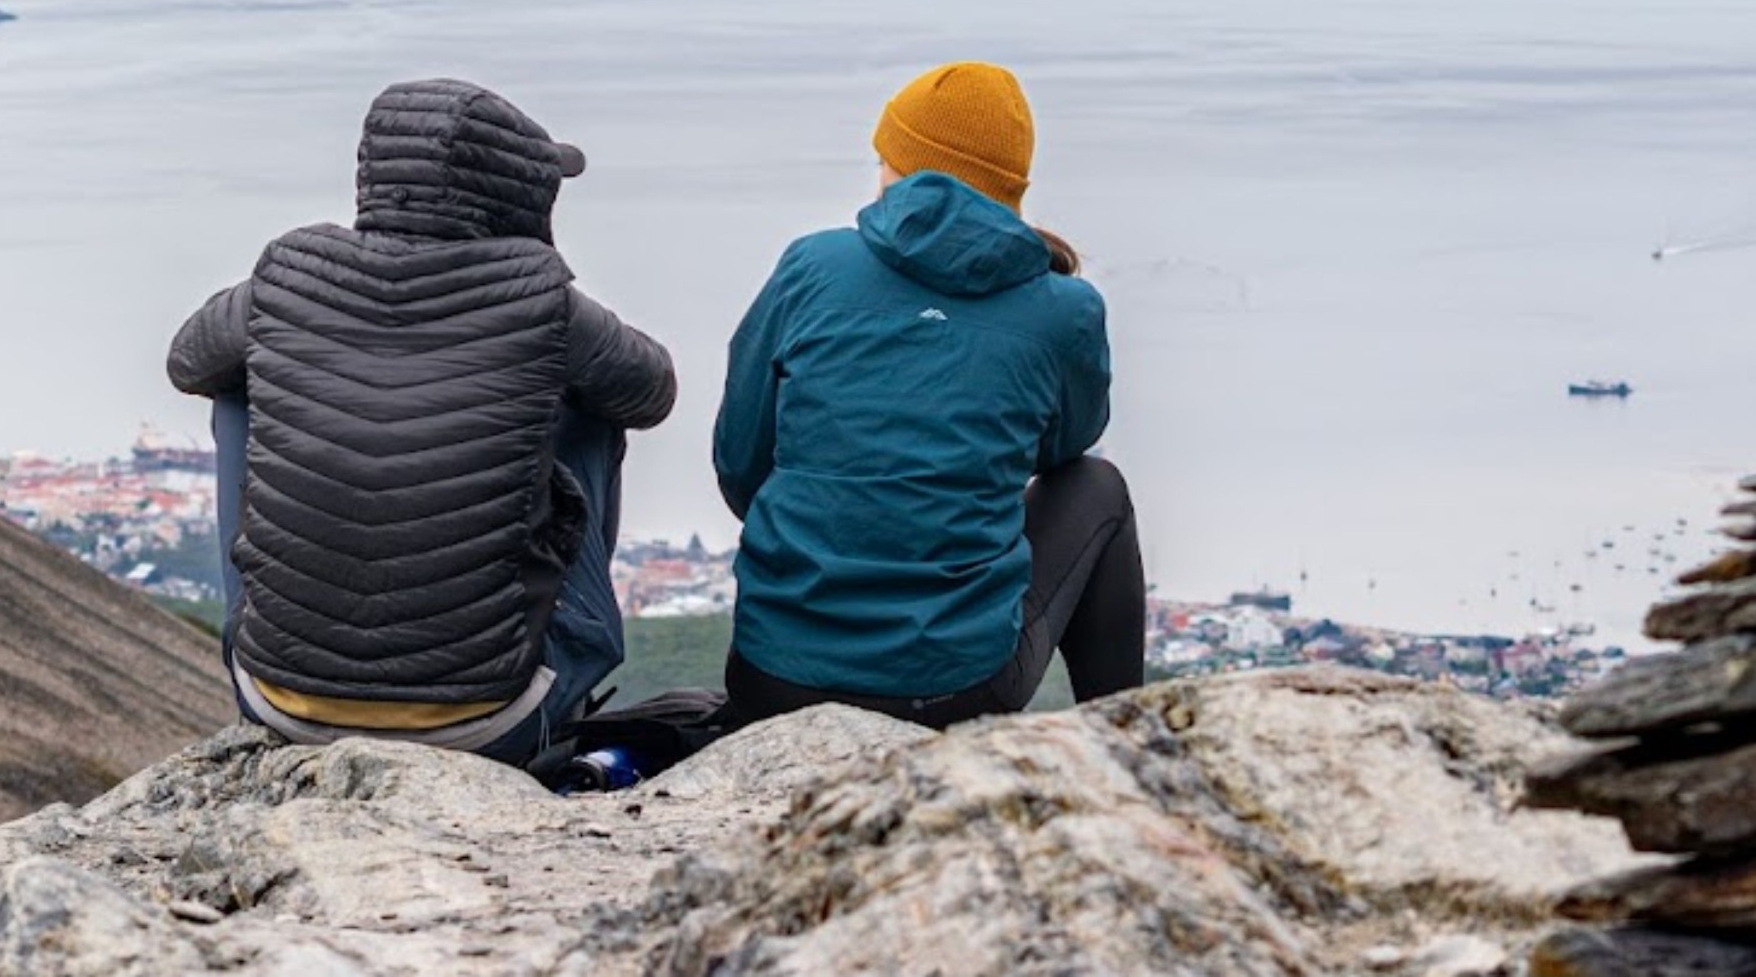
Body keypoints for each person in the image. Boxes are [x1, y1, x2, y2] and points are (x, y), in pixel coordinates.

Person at [167, 78, 676, 765]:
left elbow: (187, 361)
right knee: (593, 405)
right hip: (495, 717)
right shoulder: (542, 299)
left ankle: (269, 635)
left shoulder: (288, 270)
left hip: (280, 699)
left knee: (237, 387)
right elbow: (651, 390)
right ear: (518, 191)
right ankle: (577, 647)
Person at [713, 60, 1142, 726]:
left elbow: (741, 465)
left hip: (774, 679)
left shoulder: (812, 265)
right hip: (955, 690)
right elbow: (1065, 448)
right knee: (1096, 485)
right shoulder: (1064, 308)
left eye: (884, 158)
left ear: (903, 166)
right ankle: (1125, 744)